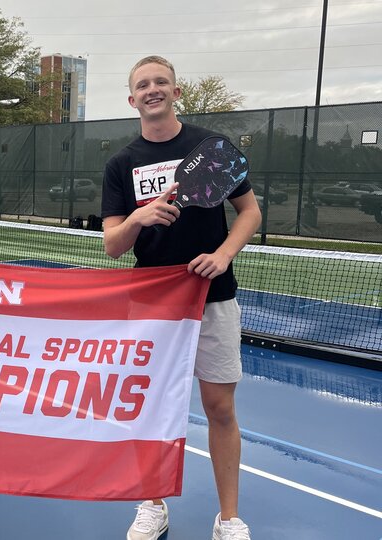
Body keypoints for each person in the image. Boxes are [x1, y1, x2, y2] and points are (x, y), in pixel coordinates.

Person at [101, 56, 261, 540]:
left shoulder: (210, 148)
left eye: (161, 82)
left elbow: (250, 211)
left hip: (213, 296)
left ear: (175, 91)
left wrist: (225, 252)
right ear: (132, 100)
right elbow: (113, 244)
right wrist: (138, 219)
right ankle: (152, 505)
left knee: (220, 408)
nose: (153, 90)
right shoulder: (120, 164)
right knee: (150, 407)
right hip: (151, 304)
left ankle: (228, 518)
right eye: (143, 85)